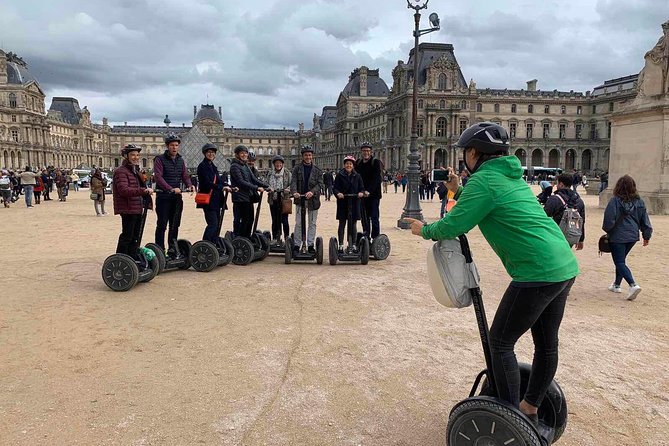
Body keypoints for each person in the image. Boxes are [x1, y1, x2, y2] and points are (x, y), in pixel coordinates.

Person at [405, 122, 579, 425]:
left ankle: (509, 419)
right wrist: (459, 190)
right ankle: (529, 408)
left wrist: (425, 230)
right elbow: (486, 201)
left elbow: (453, 225)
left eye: (465, 152)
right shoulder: (508, 176)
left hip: (536, 271)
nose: (464, 158)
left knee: (499, 341)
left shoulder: (484, 181)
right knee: (547, 343)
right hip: (562, 264)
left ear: (474, 152)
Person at [602, 175, 652, 300]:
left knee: (619, 261)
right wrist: (646, 235)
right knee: (621, 260)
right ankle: (617, 285)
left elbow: (609, 219)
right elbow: (644, 220)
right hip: (632, 235)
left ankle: (632, 285)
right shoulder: (639, 201)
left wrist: (608, 230)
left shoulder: (615, 201)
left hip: (618, 235)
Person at [153, 134, 194, 255]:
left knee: (175, 225)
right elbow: (158, 177)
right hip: (164, 197)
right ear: (167, 146)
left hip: (176, 198)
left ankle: (172, 247)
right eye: (172, 145)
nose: (174, 148)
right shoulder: (159, 159)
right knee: (162, 225)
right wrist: (170, 189)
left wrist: (189, 185)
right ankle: (160, 249)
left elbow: (185, 175)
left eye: (176, 145)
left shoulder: (181, 160)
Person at [113, 144, 153, 261]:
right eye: (132, 155)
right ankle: (120, 260)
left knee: (135, 236)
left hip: (136, 207)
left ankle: (131, 257)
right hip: (127, 208)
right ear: (126, 156)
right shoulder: (121, 171)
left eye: (137, 155)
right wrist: (143, 191)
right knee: (127, 236)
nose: (136, 157)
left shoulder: (134, 171)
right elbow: (123, 190)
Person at [290, 145, 324, 253]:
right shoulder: (296, 168)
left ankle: (310, 245)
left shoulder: (318, 170)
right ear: (302, 156)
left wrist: (312, 192)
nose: (308, 157)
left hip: (313, 201)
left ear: (312, 156)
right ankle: (296, 244)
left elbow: (320, 184)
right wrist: (294, 192)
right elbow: (293, 181)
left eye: (309, 155)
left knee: (312, 223)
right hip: (300, 199)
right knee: (299, 223)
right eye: (306, 155)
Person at [230, 145, 268, 238]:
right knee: (244, 220)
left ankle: (246, 238)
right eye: (242, 153)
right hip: (240, 198)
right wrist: (256, 188)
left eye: (245, 153)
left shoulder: (245, 165)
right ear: (237, 154)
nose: (244, 154)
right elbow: (240, 182)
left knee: (250, 219)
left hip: (248, 197)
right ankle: (241, 239)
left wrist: (267, 186)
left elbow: (253, 179)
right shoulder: (234, 166)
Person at [197, 143, 232, 243]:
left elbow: (219, 181)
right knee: (213, 224)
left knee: (217, 223)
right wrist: (222, 187)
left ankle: (214, 243)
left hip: (216, 200)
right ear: (204, 153)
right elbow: (207, 183)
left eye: (213, 152)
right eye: (209, 152)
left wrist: (228, 186)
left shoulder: (213, 166)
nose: (211, 154)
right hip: (209, 200)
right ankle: (205, 244)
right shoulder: (202, 166)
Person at [543, 174, 585, 249]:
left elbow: (544, 217)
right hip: (571, 234)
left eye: (557, 183)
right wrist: (581, 239)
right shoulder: (579, 201)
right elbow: (582, 221)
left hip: (556, 234)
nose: (556, 185)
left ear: (561, 184)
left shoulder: (554, 199)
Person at [333, 155, 364, 251]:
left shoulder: (358, 176)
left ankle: (353, 244)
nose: (348, 165)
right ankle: (341, 244)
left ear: (353, 165)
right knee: (342, 223)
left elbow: (362, 188)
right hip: (343, 202)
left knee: (353, 224)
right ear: (344, 165)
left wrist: (361, 193)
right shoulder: (339, 175)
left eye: (350, 164)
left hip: (354, 202)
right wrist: (338, 193)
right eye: (347, 164)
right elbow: (335, 188)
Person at [355, 142, 383, 241]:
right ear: (361, 152)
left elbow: (377, 179)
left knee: (374, 217)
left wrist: (369, 191)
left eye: (367, 150)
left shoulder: (375, 162)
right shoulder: (358, 163)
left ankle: (375, 238)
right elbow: (356, 178)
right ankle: (366, 235)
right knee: (364, 218)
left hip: (374, 195)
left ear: (371, 152)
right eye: (364, 151)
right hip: (363, 195)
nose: (366, 152)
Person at [266, 155, 291, 243]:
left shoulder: (287, 173)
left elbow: (292, 184)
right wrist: (269, 188)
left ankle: (287, 238)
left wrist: (289, 189)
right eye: (276, 163)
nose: (278, 165)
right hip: (273, 199)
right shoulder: (270, 173)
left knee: (284, 220)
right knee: (275, 220)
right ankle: (275, 238)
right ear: (274, 164)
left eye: (280, 163)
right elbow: (266, 184)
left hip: (284, 200)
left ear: (282, 164)